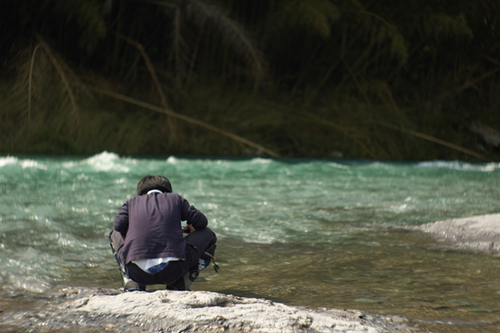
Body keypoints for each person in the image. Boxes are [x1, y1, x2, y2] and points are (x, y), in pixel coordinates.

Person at [109, 175, 217, 291]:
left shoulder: (131, 203)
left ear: (140, 194)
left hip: (136, 271)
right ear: (168, 192)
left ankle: (131, 282)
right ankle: (180, 283)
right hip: (172, 270)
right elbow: (202, 222)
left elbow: (119, 226)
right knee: (208, 234)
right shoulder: (175, 199)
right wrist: (188, 228)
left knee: (114, 233)